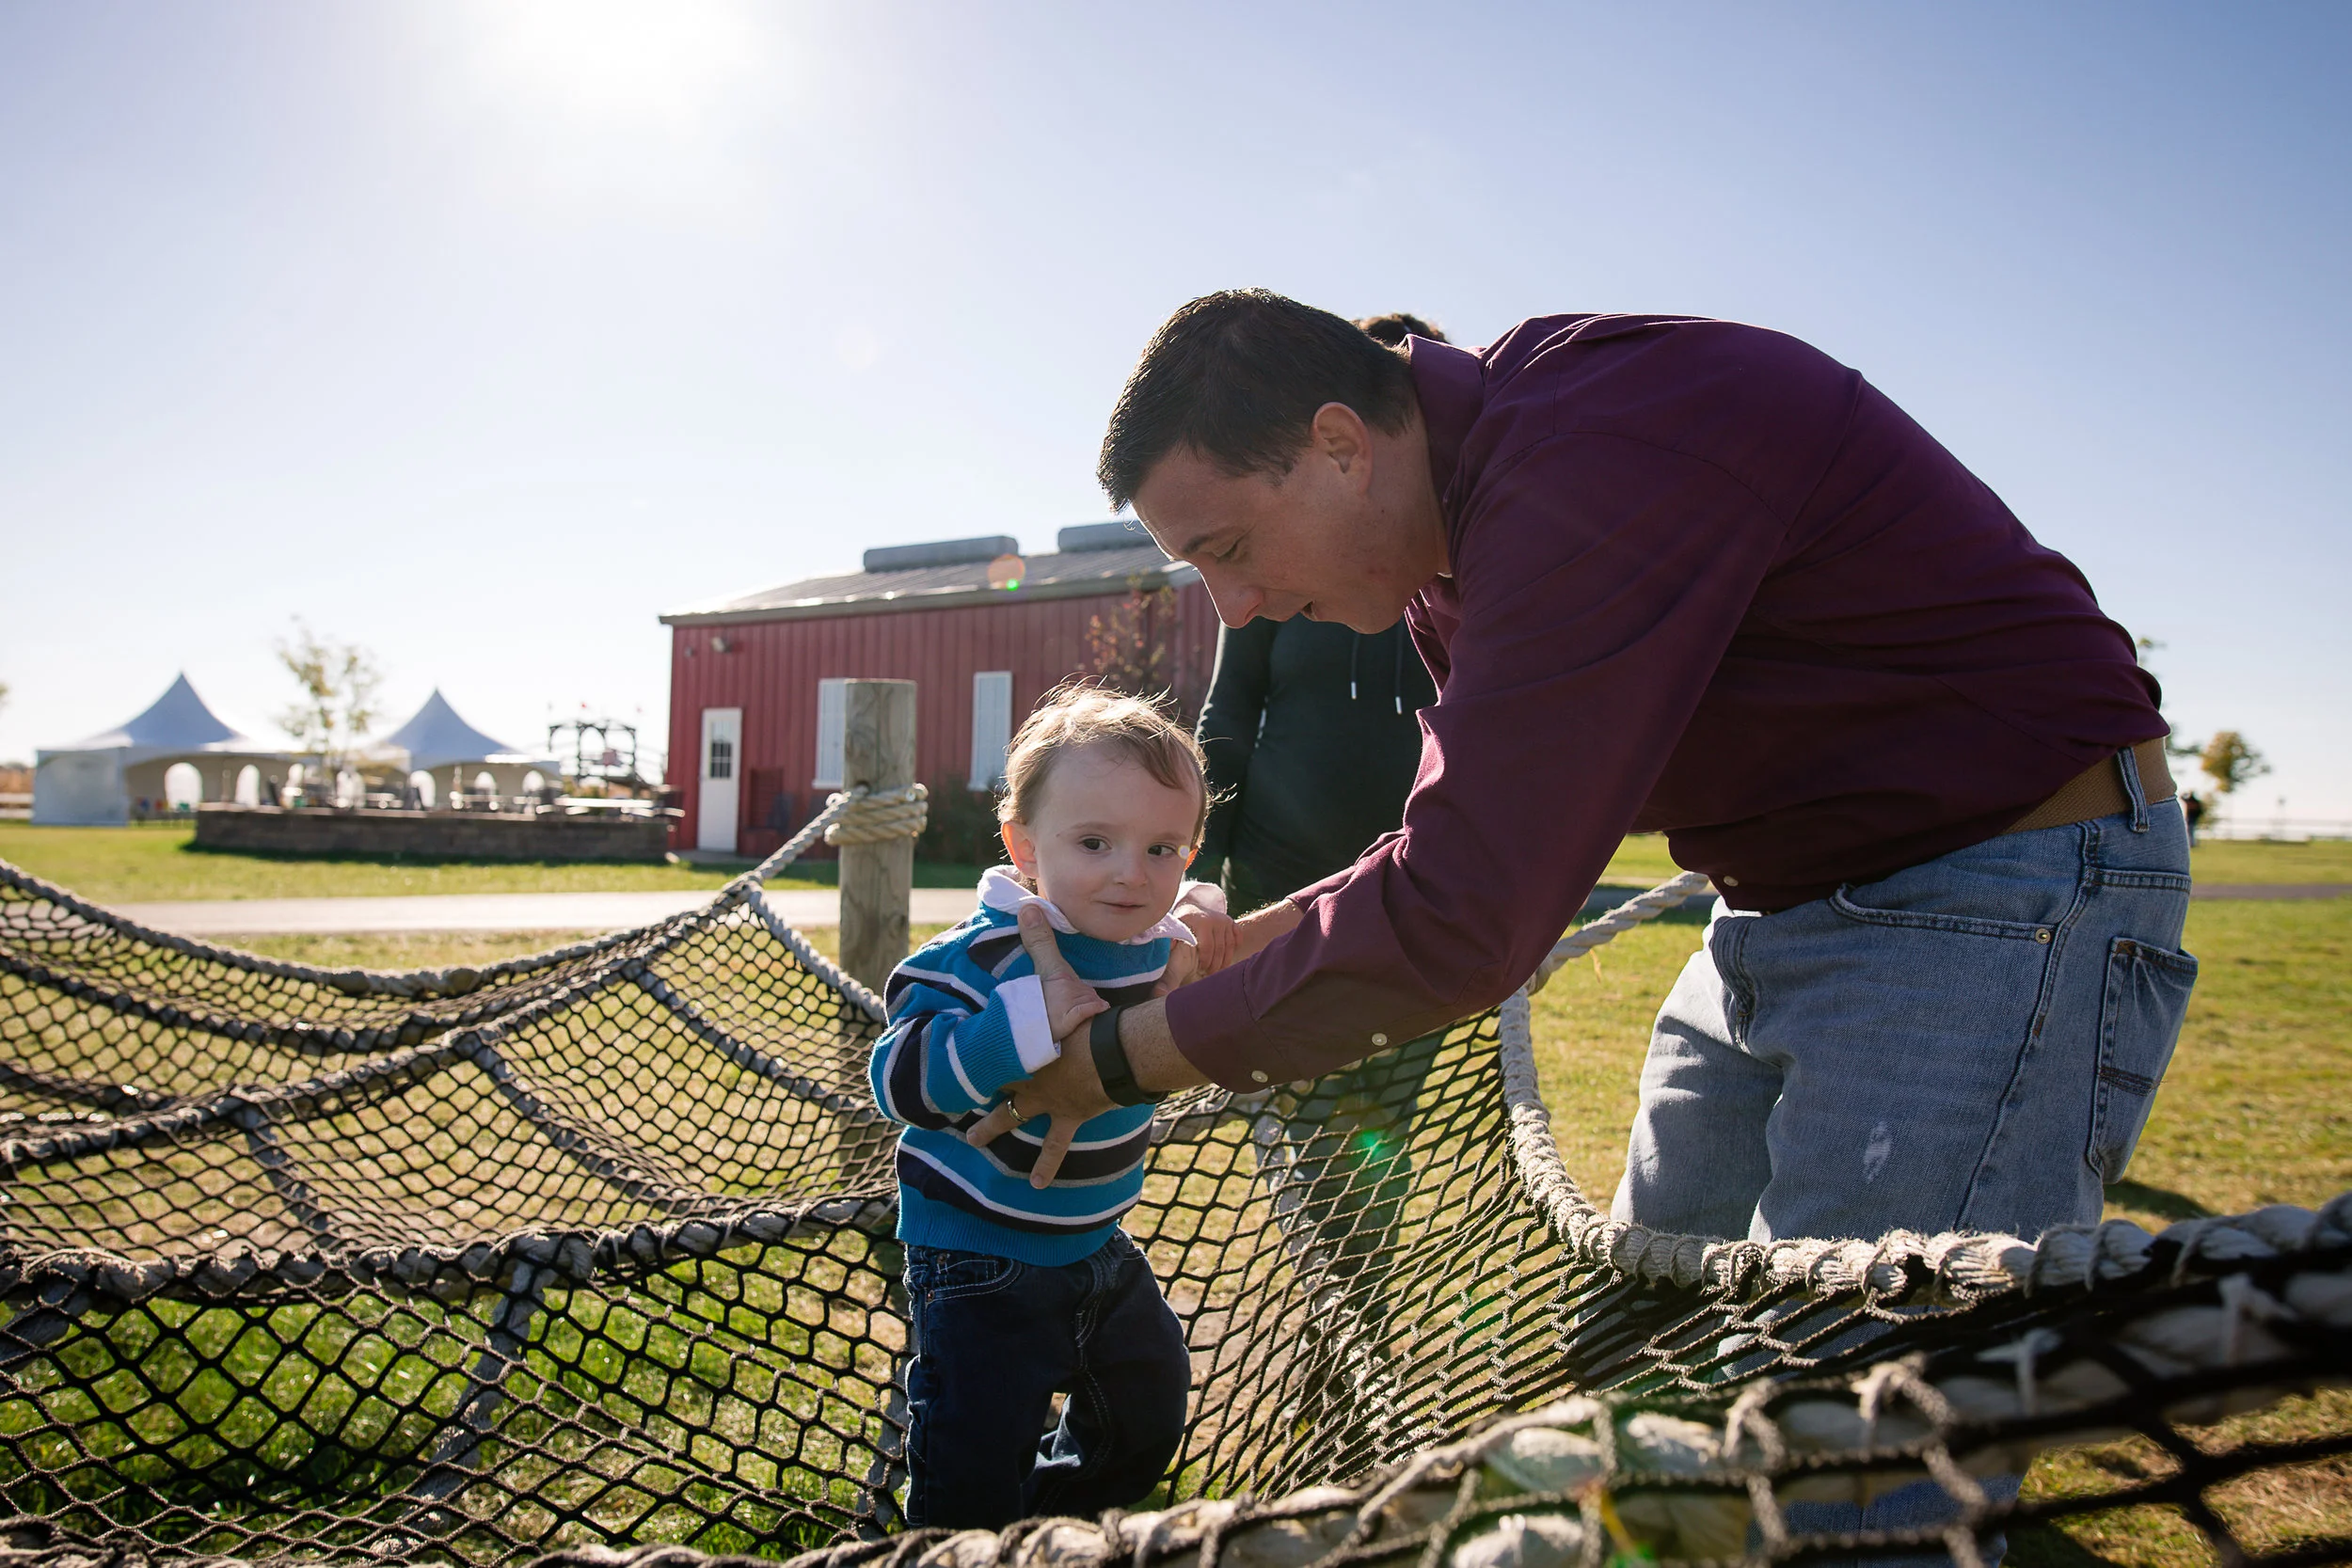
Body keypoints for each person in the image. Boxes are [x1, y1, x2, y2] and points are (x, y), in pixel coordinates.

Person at [975, 293, 2198, 1555]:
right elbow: (1451, 842)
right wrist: (1240, 941)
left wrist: (1122, 1059)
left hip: (1997, 888)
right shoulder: (1454, 547)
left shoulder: (1594, 446)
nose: (1228, 606)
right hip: (1778, 899)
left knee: (1848, 1433)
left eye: (1228, 545)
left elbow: (1469, 908)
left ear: (1342, 444)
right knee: (1640, 1339)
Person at [869, 682, 1233, 1528]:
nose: (1128, 873)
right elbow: (897, 1080)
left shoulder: (1149, 944)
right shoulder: (982, 955)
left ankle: (1045, 1526)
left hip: (1100, 1243)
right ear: (1023, 845)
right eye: (1096, 841)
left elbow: (1211, 947)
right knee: (970, 1466)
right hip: (979, 1262)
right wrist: (1014, 1028)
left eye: (1161, 849)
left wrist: (1208, 907)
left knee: (1147, 1412)